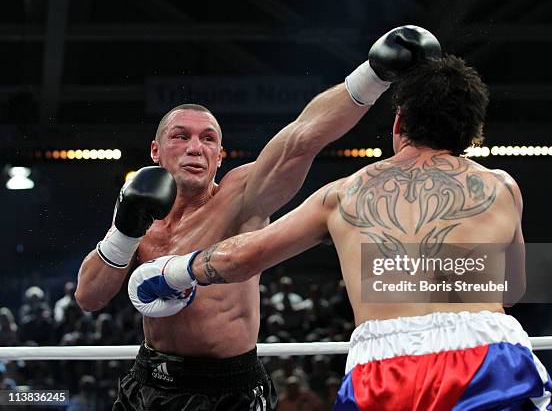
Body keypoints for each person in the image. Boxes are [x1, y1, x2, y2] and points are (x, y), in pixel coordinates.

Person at [130, 48, 552, 409]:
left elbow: (242, 258)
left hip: (384, 366)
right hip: (489, 354)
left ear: (398, 124)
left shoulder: (346, 193)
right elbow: (513, 289)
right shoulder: (502, 186)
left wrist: (172, 272)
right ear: (471, 131)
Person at [76, 25, 438, 410]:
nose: (195, 148)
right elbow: (89, 297)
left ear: (220, 154)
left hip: (228, 390)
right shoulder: (138, 210)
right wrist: (125, 231)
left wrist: (374, 74)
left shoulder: (241, 198)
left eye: (208, 139)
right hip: (149, 380)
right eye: (181, 136)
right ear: (156, 150)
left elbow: (302, 139)